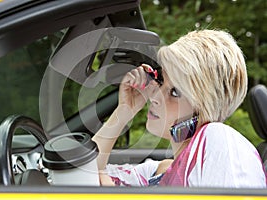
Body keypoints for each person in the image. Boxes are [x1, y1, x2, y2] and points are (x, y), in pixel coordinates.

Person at [92, 29, 267, 188]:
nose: (154, 97)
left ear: (205, 107)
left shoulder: (221, 140)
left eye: (175, 92)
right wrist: (124, 112)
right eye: (161, 81)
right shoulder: (157, 172)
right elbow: (84, 176)